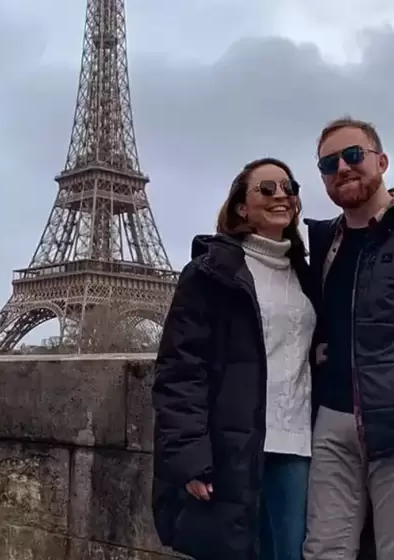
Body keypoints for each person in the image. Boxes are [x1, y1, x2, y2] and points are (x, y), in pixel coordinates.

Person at [151, 157, 316, 560]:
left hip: (296, 445)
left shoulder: (306, 274)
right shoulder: (210, 273)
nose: (281, 195)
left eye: (288, 187)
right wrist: (191, 457)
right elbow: (180, 369)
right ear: (242, 207)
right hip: (232, 449)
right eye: (266, 188)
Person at [303, 116, 394, 560]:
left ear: (382, 161)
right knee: (325, 551)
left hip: (391, 418)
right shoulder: (323, 243)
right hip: (332, 419)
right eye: (328, 163)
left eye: (353, 155)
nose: (342, 167)